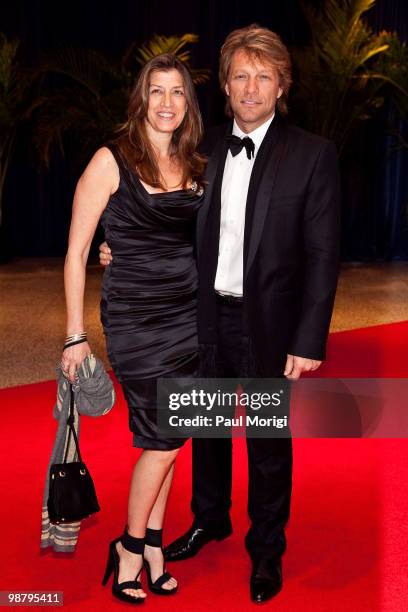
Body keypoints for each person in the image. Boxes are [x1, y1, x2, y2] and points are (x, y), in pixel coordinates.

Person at [100, 24, 340, 604]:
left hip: (268, 326)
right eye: (240, 76)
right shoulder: (199, 155)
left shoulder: (312, 154)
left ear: (282, 85)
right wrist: (119, 250)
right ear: (226, 88)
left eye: (264, 77)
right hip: (198, 318)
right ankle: (210, 519)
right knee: (203, 433)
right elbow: (167, 226)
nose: (251, 88)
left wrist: (308, 339)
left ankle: (266, 551)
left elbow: (322, 255)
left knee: (264, 442)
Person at [61, 53, 205, 604]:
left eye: (177, 92)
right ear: (140, 99)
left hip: (189, 318)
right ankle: (128, 546)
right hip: (136, 322)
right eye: (156, 91)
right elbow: (76, 254)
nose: (167, 103)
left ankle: (151, 545)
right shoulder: (111, 160)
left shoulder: (197, 164)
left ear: (187, 102)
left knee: (170, 437)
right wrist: (75, 334)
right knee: (165, 438)